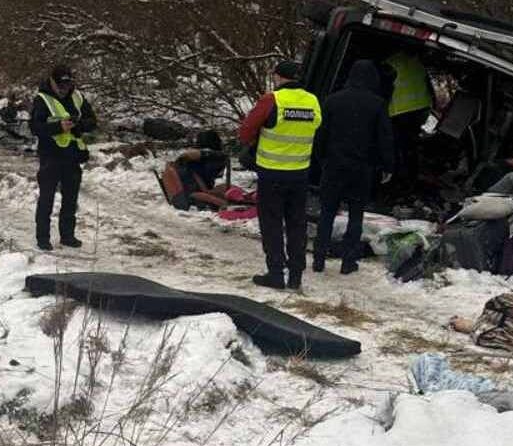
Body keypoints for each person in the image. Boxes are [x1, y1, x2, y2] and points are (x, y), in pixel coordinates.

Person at [238, 60, 322, 290]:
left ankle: (275, 274)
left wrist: (256, 141)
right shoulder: (312, 100)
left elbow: (245, 133)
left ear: (278, 77)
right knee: (297, 224)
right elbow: (316, 127)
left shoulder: (271, 100)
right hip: (299, 174)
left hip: (272, 174)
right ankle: (296, 276)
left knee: (272, 224)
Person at [312, 60, 395, 275]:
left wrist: (321, 159)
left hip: (334, 166)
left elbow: (321, 134)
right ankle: (348, 261)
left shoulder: (332, 101)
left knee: (327, 213)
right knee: (356, 215)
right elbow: (384, 138)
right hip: (361, 168)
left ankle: (318, 258)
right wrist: (387, 165)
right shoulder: (377, 104)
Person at [30, 64, 97, 251]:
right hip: (50, 155)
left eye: (66, 85)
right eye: (60, 86)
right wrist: (59, 127)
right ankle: (43, 238)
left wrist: (78, 125)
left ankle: (67, 236)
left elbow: (92, 122)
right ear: (52, 81)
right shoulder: (42, 99)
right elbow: (35, 127)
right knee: (46, 198)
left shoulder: (77, 97)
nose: (63, 90)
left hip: (73, 155)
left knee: (70, 199)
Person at [383, 49, 433, 190]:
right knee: (409, 145)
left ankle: (396, 179)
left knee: (397, 146)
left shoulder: (391, 63)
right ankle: (410, 178)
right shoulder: (417, 63)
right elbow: (428, 87)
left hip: (400, 112)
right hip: (420, 109)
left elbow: (384, 91)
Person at [166, 130, 231, 211]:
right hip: (191, 194)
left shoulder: (202, 159)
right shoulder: (200, 158)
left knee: (229, 189)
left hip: (194, 191)